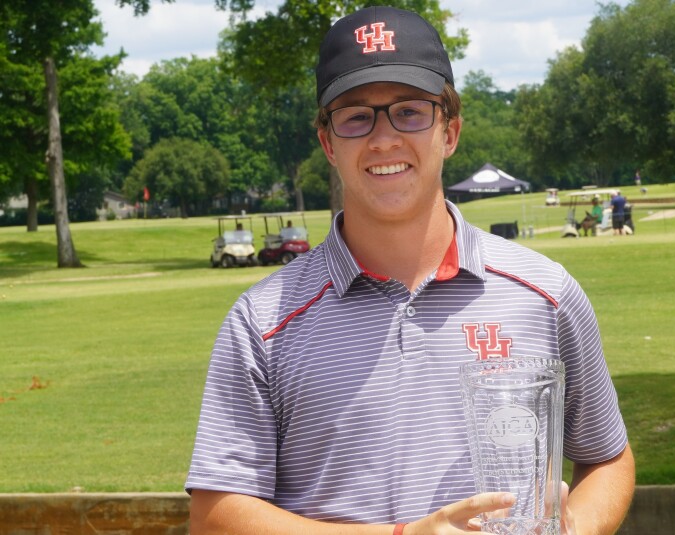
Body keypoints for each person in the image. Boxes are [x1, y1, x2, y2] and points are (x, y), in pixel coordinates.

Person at [186, 6, 635, 535]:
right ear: (329, 142)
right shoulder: (261, 321)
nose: (383, 140)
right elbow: (215, 516)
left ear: (451, 131)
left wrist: (574, 528)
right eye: (355, 116)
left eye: (411, 111)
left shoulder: (545, 294)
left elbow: (607, 458)